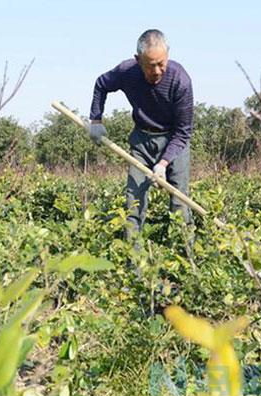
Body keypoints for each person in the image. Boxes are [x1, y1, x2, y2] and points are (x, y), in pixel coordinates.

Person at [89, 29, 194, 246]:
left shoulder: (180, 80)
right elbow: (101, 84)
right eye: (150, 65)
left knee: (180, 204)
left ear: (168, 55)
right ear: (138, 60)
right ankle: (133, 267)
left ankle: (188, 265)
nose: (157, 71)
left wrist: (163, 163)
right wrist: (96, 120)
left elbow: (183, 131)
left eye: (161, 63)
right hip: (141, 141)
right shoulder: (127, 71)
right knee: (133, 203)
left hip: (174, 142)